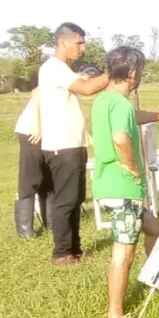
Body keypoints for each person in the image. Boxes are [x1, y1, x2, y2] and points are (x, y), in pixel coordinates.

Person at [90, 46, 159, 318]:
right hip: (124, 188)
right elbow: (120, 137)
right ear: (131, 73)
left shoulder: (105, 100)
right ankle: (115, 316)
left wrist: (158, 115)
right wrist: (133, 166)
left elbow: (130, 118)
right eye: (140, 72)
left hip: (108, 186)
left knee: (153, 227)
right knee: (124, 252)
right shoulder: (121, 104)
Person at [38, 22, 110, 265]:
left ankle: (74, 250)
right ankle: (61, 253)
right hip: (62, 145)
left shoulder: (63, 69)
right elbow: (88, 89)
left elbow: (85, 82)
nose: (82, 47)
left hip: (73, 144)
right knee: (65, 201)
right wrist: (114, 73)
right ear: (62, 42)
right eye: (78, 42)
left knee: (76, 199)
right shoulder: (54, 68)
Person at [12, 87, 52, 238]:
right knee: (31, 178)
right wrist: (38, 125)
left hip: (47, 133)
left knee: (48, 177)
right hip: (31, 131)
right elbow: (36, 93)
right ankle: (25, 230)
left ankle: (51, 223)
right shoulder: (63, 78)